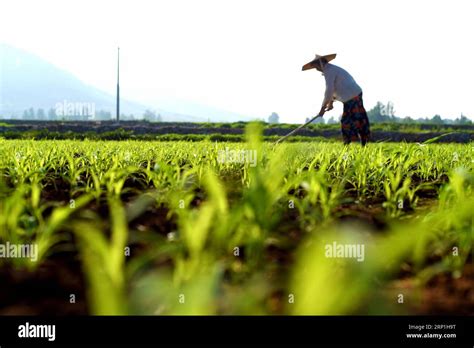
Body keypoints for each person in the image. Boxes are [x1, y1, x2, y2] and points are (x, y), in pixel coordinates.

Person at [302, 53, 370, 145]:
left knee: (356, 120)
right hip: (349, 98)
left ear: (321, 63)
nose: (316, 69)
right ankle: (348, 144)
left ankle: (358, 144)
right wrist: (330, 104)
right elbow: (334, 89)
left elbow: (329, 90)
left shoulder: (330, 71)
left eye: (316, 66)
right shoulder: (330, 71)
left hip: (354, 96)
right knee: (347, 121)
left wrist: (323, 108)